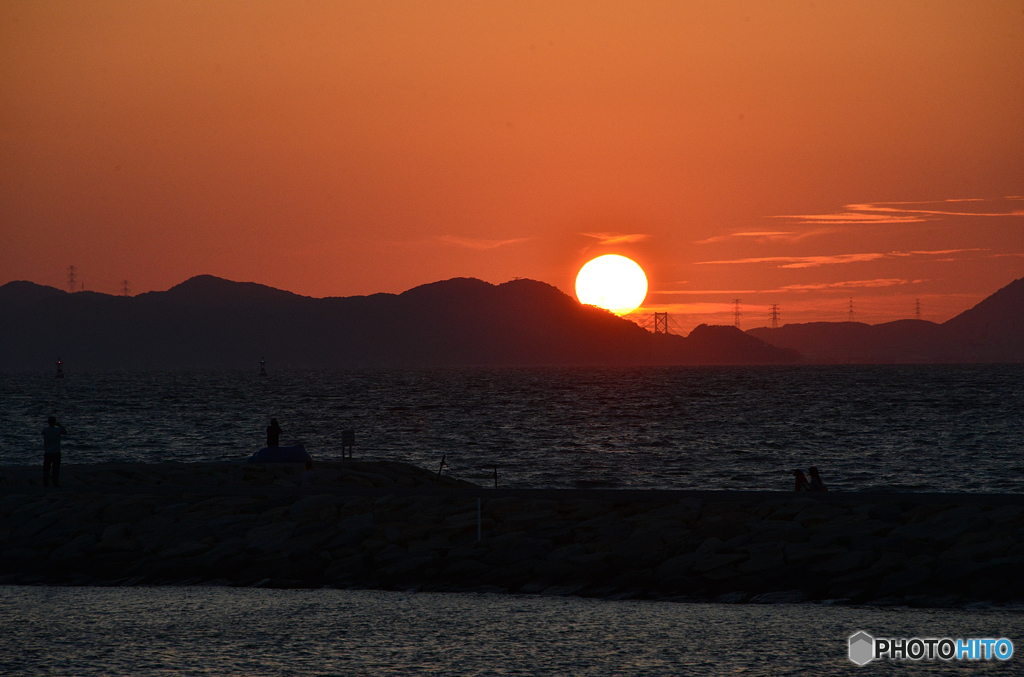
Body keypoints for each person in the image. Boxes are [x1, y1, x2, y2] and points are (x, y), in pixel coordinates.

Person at [42, 417, 67, 488]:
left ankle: (46, 483)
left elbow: (42, 433)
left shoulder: (45, 430)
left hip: (47, 452)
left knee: (46, 469)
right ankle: (55, 483)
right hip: (56, 452)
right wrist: (60, 425)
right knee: (55, 469)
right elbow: (65, 432)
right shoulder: (58, 430)